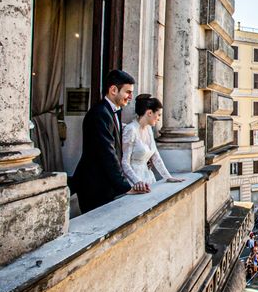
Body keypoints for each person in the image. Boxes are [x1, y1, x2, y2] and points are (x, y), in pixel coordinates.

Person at [72, 70, 140, 213]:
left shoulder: (113, 111)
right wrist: (125, 187)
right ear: (113, 90)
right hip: (95, 186)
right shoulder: (99, 114)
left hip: (106, 186)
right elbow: (107, 153)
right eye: (128, 92)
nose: (130, 97)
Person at [122, 94, 183, 189]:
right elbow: (125, 162)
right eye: (158, 115)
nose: (159, 118)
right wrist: (137, 182)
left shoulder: (149, 129)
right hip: (134, 181)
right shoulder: (130, 129)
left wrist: (168, 177)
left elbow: (156, 156)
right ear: (149, 113)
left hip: (148, 177)